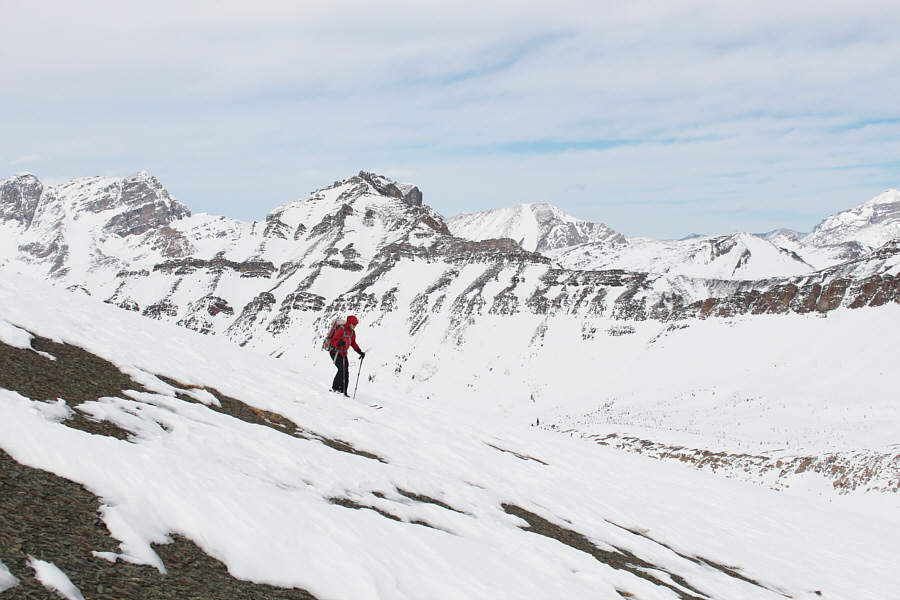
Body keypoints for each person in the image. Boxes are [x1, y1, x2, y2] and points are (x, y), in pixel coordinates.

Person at [329, 315, 366, 396]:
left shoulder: (352, 332)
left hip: (343, 352)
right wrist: (339, 343)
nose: (355, 326)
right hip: (335, 352)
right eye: (353, 324)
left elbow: (353, 343)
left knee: (346, 371)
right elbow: (333, 341)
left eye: (356, 324)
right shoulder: (341, 330)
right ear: (349, 323)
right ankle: (335, 388)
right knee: (342, 369)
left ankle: (343, 391)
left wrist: (360, 352)